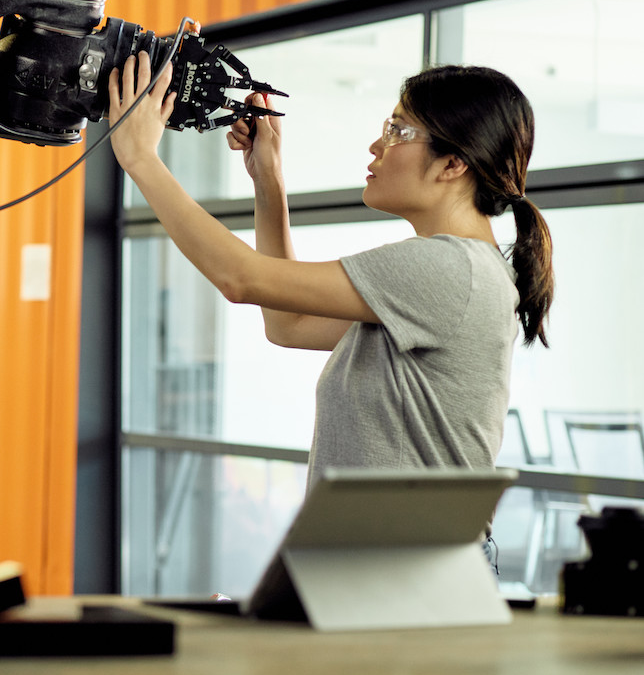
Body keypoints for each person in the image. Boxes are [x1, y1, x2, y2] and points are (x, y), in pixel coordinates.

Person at [107, 55, 554, 506]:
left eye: (398, 131)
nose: (375, 146)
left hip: (405, 566)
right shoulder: (465, 272)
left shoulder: (452, 269)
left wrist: (141, 158)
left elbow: (239, 279)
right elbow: (289, 323)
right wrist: (269, 178)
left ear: (453, 164)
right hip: (388, 560)